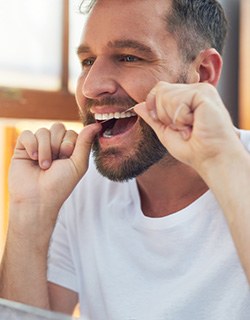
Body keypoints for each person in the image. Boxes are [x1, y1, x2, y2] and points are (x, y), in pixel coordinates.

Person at [0, 0, 250, 319]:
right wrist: (30, 213)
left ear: (202, 73)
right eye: (88, 61)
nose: (91, 87)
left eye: (129, 57)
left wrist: (220, 160)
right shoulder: (80, 189)